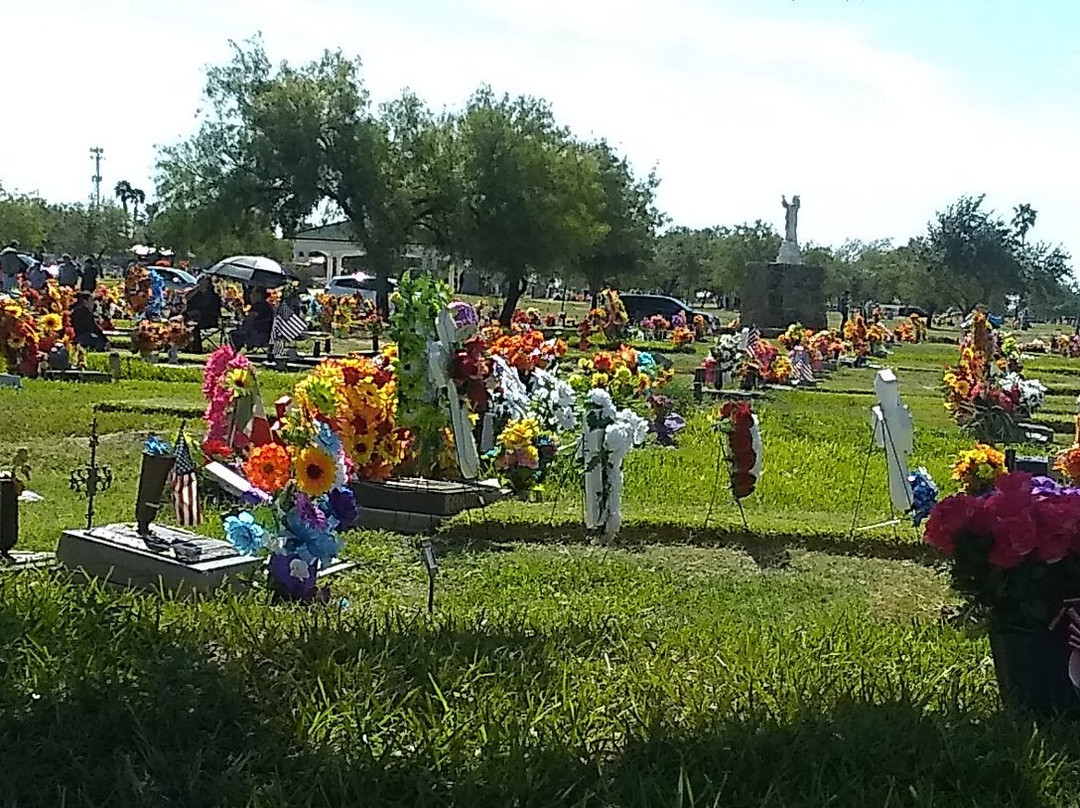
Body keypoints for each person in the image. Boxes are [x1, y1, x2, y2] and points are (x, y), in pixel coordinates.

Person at [184, 275, 223, 352]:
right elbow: (187, 298)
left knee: (194, 327)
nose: (202, 283)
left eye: (204, 282)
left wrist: (199, 313)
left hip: (208, 319)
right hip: (192, 317)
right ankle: (181, 345)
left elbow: (215, 310)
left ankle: (196, 349)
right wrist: (196, 290)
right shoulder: (196, 294)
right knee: (179, 322)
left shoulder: (213, 296)